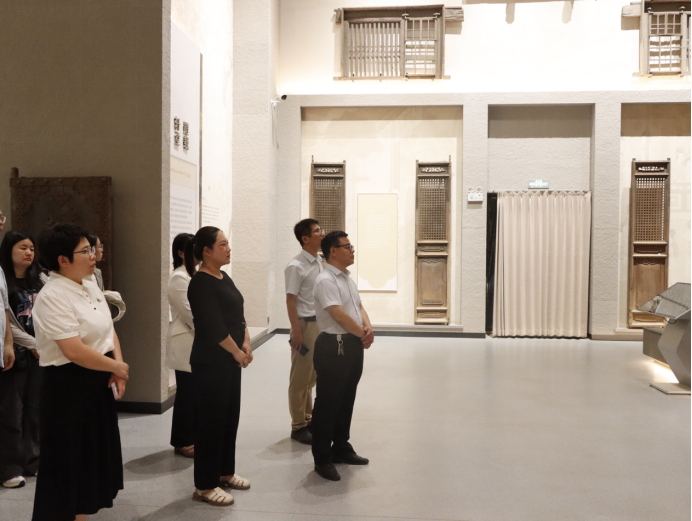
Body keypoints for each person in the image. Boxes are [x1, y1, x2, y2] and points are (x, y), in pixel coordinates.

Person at [31, 223, 129, 521]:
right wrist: (116, 367)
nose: (93, 255)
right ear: (63, 259)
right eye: (85, 251)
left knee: (89, 463)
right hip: (68, 387)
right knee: (67, 465)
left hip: (97, 381)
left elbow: (108, 329)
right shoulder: (52, 295)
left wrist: (117, 365)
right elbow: (72, 350)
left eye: (91, 249)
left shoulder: (89, 284)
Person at [184, 227, 253, 507]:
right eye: (223, 244)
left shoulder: (224, 277)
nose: (228, 248)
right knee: (211, 422)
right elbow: (213, 325)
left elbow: (238, 315)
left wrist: (246, 342)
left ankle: (225, 471)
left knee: (228, 417)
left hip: (230, 360)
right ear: (207, 251)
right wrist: (236, 352)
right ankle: (204, 484)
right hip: (211, 361)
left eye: (228, 243)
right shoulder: (200, 283)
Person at [311, 231, 374, 482]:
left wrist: (368, 329)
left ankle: (341, 447)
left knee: (346, 399)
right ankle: (322, 457)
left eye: (351, 246)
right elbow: (337, 315)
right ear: (333, 251)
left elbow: (358, 306)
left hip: (352, 344)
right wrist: (363, 334)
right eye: (347, 247)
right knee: (328, 403)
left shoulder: (346, 278)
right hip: (333, 346)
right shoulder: (325, 280)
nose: (352, 250)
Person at [0, 231, 46, 489]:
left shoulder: (41, 278)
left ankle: (33, 461)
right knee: (12, 413)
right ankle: (10, 468)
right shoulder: (3, 278)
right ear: (9, 250)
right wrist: (32, 343)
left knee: (35, 410)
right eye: (22, 248)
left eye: (31, 248)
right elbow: (5, 319)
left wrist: (43, 344)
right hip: (14, 354)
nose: (29, 252)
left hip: (40, 355)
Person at [284, 219, 324, 445]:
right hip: (305, 326)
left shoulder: (318, 261)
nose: (322, 233)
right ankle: (297, 426)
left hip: (319, 324)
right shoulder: (296, 266)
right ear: (305, 238)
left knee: (311, 376)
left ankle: (307, 419)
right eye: (317, 231)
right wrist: (296, 331)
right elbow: (291, 300)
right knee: (300, 378)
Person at [167, 232, 196, 458]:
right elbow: (190, 314)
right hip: (186, 339)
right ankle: (183, 441)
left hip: (197, 340)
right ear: (180, 253)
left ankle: (191, 436)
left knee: (194, 393)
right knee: (187, 393)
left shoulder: (192, 275)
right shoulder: (179, 278)